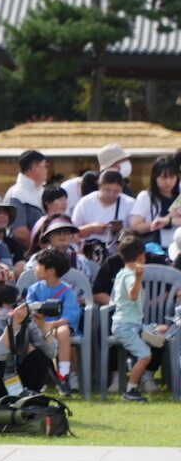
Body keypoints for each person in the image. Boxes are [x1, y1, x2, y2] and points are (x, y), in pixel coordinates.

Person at [0, 285, 56, 407]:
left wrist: (42, 326)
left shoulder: (25, 321)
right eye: (12, 304)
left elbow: (51, 353)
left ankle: (29, 399)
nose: (17, 307)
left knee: (39, 356)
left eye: (18, 302)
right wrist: (12, 326)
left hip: (15, 377)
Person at [23, 247, 81, 395]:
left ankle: (63, 376)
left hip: (58, 326)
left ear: (50, 271)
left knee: (63, 332)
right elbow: (29, 309)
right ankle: (39, 378)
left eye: (38, 265)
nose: (34, 269)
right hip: (38, 327)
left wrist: (54, 323)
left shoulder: (66, 291)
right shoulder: (34, 289)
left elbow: (71, 315)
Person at [111, 237, 158, 402]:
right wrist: (138, 277)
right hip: (126, 326)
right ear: (141, 257)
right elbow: (132, 295)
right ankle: (130, 391)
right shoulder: (130, 275)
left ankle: (134, 379)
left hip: (131, 324)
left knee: (161, 332)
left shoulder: (121, 273)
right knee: (145, 355)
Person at [72, 169, 132, 263]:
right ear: (99, 186)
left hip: (118, 253)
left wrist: (122, 229)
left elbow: (135, 232)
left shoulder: (129, 204)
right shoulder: (86, 202)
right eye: (107, 191)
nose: (111, 195)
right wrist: (90, 229)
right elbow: (72, 232)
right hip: (90, 254)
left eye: (116, 192)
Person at [128, 156, 179, 248]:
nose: (168, 182)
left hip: (177, 248)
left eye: (172, 177)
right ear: (155, 177)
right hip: (154, 249)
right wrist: (160, 222)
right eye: (163, 178)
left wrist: (168, 221)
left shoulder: (179, 197)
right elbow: (135, 227)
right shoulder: (146, 197)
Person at [23, 216, 96, 279]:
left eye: (66, 232)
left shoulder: (79, 260)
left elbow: (83, 285)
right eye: (57, 232)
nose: (62, 235)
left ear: (71, 236)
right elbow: (28, 281)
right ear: (49, 236)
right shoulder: (37, 259)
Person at [2, 150, 48, 244]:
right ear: (35, 168)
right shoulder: (17, 194)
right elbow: (20, 233)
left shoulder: (41, 191)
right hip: (25, 252)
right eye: (45, 166)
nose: (47, 170)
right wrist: (39, 249)